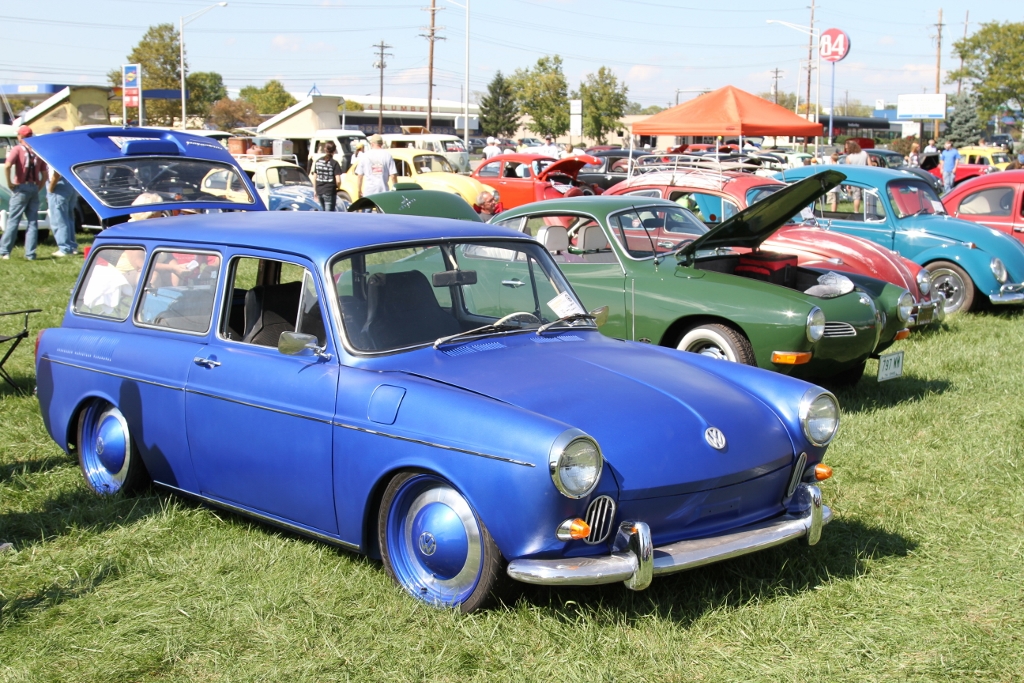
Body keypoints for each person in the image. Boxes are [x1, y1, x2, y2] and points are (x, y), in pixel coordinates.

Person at [1, 126, 47, 261]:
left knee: (13, 220)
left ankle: (4, 251)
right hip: (34, 187)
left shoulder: (17, 149)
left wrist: (10, 182)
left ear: (21, 136)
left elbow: (8, 165)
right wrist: (39, 187)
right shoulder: (37, 151)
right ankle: (30, 254)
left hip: (21, 186)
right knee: (32, 221)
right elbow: (44, 174)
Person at [45, 127, 78, 258]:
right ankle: (72, 245)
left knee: (59, 218)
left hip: (59, 186)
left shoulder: (55, 151)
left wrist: (50, 188)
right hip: (70, 185)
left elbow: (56, 173)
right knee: (69, 217)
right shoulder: (69, 149)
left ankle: (64, 247)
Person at [355, 134, 397, 199]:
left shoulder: (365, 156)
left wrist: (359, 190)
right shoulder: (387, 155)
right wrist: (395, 189)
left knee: (368, 206)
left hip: (369, 193)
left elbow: (360, 176)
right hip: (383, 192)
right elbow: (393, 176)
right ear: (381, 144)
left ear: (372, 143)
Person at [312, 141, 342, 211]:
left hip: (319, 190)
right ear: (334, 151)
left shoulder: (318, 161)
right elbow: (338, 180)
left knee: (323, 212)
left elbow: (314, 177)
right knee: (329, 214)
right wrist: (338, 187)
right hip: (329, 191)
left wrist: (315, 190)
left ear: (325, 149)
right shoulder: (334, 163)